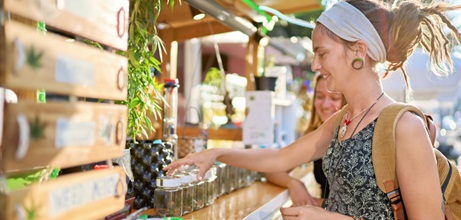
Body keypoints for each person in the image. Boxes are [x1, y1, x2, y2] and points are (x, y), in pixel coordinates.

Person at [164, 0, 461, 219]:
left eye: (322, 53)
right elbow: (281, 157)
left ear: (358, 51)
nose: (316, 65)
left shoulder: (405, 127)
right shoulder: (344, 119)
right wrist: (216, 154)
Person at [264, 74, 346, 207]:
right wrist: (294, 184)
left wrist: (315, 203)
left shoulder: (358, 136)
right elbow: (272, 169)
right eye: (320, 97)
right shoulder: (316, 135)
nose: (325, 104)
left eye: (334, 98)